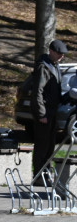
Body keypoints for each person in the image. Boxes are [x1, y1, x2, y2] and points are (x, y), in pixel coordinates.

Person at [31, 39, 67, 179]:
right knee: (42, 146)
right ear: (51, 51)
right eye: (59, 53)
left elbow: (54, 92)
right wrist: (41, 114)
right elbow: (37, 92)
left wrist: (66, 98)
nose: (61, 56)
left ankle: (46, 174)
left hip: (52, 113)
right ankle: (39, 177)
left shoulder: (54, 65)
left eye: (63, 54)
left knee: (50, 146)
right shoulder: (43, 67)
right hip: (44, 113)